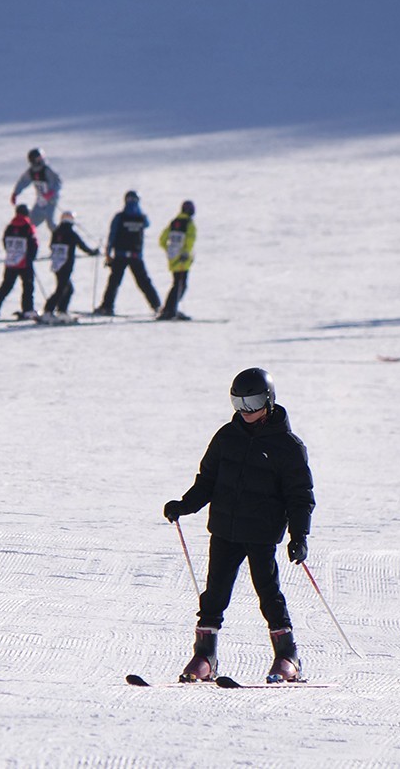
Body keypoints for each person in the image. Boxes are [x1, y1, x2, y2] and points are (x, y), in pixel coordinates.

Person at [163, 368, 315, 684]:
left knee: (268, 592)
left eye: (254, 402)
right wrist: (184, 505)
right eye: (239, 403)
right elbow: (207, 481)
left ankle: (288, 656)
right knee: (214, 594)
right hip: (224, 529)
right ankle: (205, 655)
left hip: (261, 532)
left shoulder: (288, 446)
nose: (246, 411)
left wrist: (299, 535)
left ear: (269, 401)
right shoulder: (226, 437)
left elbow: (300, 496)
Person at [94, 191, 161, 316]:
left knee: (114, 282)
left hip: (120, 254)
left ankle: (107, 306)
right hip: (136, 255)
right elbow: (147, 224)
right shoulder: (142, 217)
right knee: (144, 282)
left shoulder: (120, 217)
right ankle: (157, 305)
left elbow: (112, 234)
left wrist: (108, 252)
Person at [41, 210, 99, 322]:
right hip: (66, 265)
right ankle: (49, 310)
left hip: (56, 265)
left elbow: (51, 246)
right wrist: (93, 252)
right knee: (62, 289)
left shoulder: (56, 232)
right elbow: (83, 246)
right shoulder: (71, 234)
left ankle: (61, 310)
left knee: (67, 288)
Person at [0, 204, 39, 320]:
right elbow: (34, 244)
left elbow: (5, 242)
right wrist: (31, 257)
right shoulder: (28, 226)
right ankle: (27, 310)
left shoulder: (9, 227)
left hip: (11, 262)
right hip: (24, 262)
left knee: (5, 286)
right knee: (28, 286)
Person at [156, 200, 196, 320]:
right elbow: (189, 241)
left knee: (177, 283)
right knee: (180, 285)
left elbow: (162, 239)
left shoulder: (174, 222)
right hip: (183, 260)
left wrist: (169, 250)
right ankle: (170, 310)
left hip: (173, 258)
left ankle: (169, 308)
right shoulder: (189, 224)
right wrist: (186, 253)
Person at [10, 148, 62, 232]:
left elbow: (58, 182)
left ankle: (60, 239)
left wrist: (51, 192)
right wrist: (16, 193)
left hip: (51, 200)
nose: (41, 160)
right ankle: (27, 238)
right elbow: (23, 181)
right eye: (39, 158)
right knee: (31, 222)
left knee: (50, 222)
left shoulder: (47, 170)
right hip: (40, 201)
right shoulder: (31, 172)